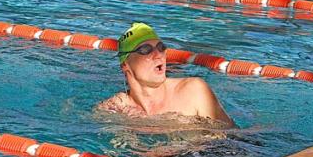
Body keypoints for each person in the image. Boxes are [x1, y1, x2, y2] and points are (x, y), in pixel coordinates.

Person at [97, 22, 235, 128]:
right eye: (145, 50)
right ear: (125, 64)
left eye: (161, 48)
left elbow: (227, 140)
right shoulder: (118, 106)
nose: (158, 55)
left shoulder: (193, 90)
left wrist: (156, 124)